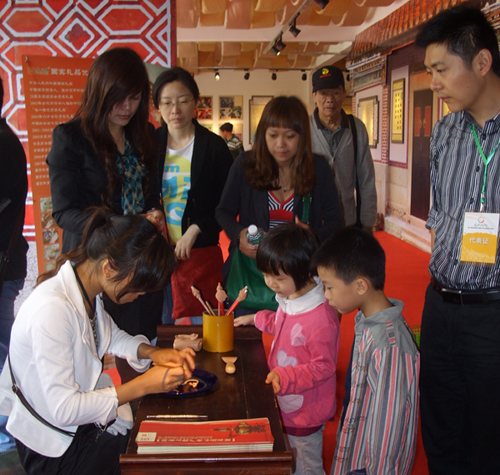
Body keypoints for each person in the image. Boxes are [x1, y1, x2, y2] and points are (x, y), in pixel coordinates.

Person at [0, 208, 196, 475]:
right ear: (109, 268)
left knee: (158, 446)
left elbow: (108, 334)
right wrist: (144, 385)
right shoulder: (52, 310)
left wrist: (151, 352)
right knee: (153, 459)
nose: (139, 295)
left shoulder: (85, 291)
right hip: (53, 447)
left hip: (75, 429)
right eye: (138, 286)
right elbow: (64, 409)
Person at [415, 6, 500, 474]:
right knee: (440, 432)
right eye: (430, 71)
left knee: (487, 439)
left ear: (482, 63)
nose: (434, 83)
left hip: (493, 314)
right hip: (440, 307)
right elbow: (440, 214)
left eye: (442, 70)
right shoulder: (446, 130)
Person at [46, 47, 164, 381]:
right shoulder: (71, 138)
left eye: (135, 98)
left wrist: (153, 214)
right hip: (95, 262)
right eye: (118, 98)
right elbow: (64, 212)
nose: (127, 107)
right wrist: (122, 225)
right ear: (100, 92)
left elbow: (150, 195)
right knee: (88, 355)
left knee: (140, 345)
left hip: (138, 261)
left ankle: (139, 405)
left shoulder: (144, 135)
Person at [216, 95, 343, 313]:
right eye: (273, 135)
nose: (281, 144)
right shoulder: (245, 165)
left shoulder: (318, 167)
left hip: (300, 281)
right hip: (252, 278)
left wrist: (312, 238)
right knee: (249, 331)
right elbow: (223, 211)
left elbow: (335, 221)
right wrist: (239, 235)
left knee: (297, 333)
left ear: (302, 136)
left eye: (290, 136)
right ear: (263, 134)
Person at [235, 223, 340, 475]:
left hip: (306, 411)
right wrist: (256, 319)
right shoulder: (292, 296)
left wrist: (285, 376)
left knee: (305, 465)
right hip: (286, 400)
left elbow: (323, 367)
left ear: (304, 271)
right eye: (266, 275)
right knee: (287, 460)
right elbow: (285, 325)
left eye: (278, 278)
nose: (270, 283)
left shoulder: (320, 318)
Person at [312, 227, 419, 475]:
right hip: (356, 452)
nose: (326, 296)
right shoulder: (367, 322)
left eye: (329, 287)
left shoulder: (389, 346)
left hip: (371, 466)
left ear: (360, 286)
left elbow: (389, 427)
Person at [152, 67, 233, 323]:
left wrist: (196, 228)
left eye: (183, 100)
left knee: (203, 323)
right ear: (157, 107)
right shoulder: (149, 145)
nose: (175, 110)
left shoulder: (214, 147)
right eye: (167, 103)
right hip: (157, 254)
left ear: (195, 102)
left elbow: (226, 204)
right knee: (161, 325)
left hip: (199, 254)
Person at [309, 65, 377, 230]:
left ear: (344, 94)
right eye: (323, 93)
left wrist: (367, 224)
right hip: (314, 223)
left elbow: (366, 179)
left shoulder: (356, 128)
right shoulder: (304, 128)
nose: (330, 99)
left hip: (347, 221)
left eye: (336, 92)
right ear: (314, 96)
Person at [0, 77, 28, 451]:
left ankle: (11, 427)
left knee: (4, 348)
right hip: (7, 261)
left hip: (4, 264)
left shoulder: (4, 143)